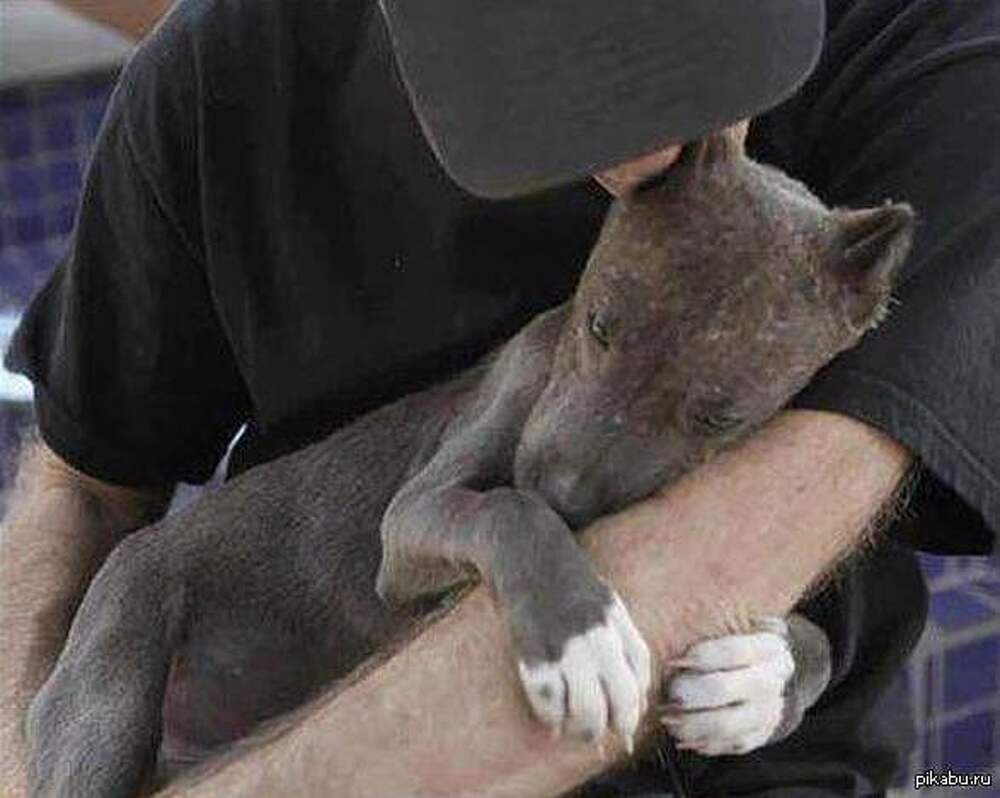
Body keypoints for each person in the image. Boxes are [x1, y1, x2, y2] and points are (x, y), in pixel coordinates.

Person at [1, 0, 998, 795]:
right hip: (272, 681)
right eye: (551, 85)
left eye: (688, 56)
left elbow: (690, 591)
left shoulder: (939, 63)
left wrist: (788, 666)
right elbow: (87, 487)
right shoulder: (225, 63)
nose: (650, 158)